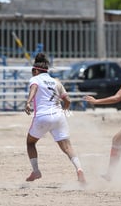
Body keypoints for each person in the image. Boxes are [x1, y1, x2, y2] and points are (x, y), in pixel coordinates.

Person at [24, 53, 86, 184]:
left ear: (35, 70)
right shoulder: (56, 82)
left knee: (30, 143)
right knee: (67, 147)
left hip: (43, 116)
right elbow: (68, 100)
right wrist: (65, 111)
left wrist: (28, 101)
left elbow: (34, 88)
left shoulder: (35, 79)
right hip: (59, 116)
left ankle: (36, 171)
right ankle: (79, 169)